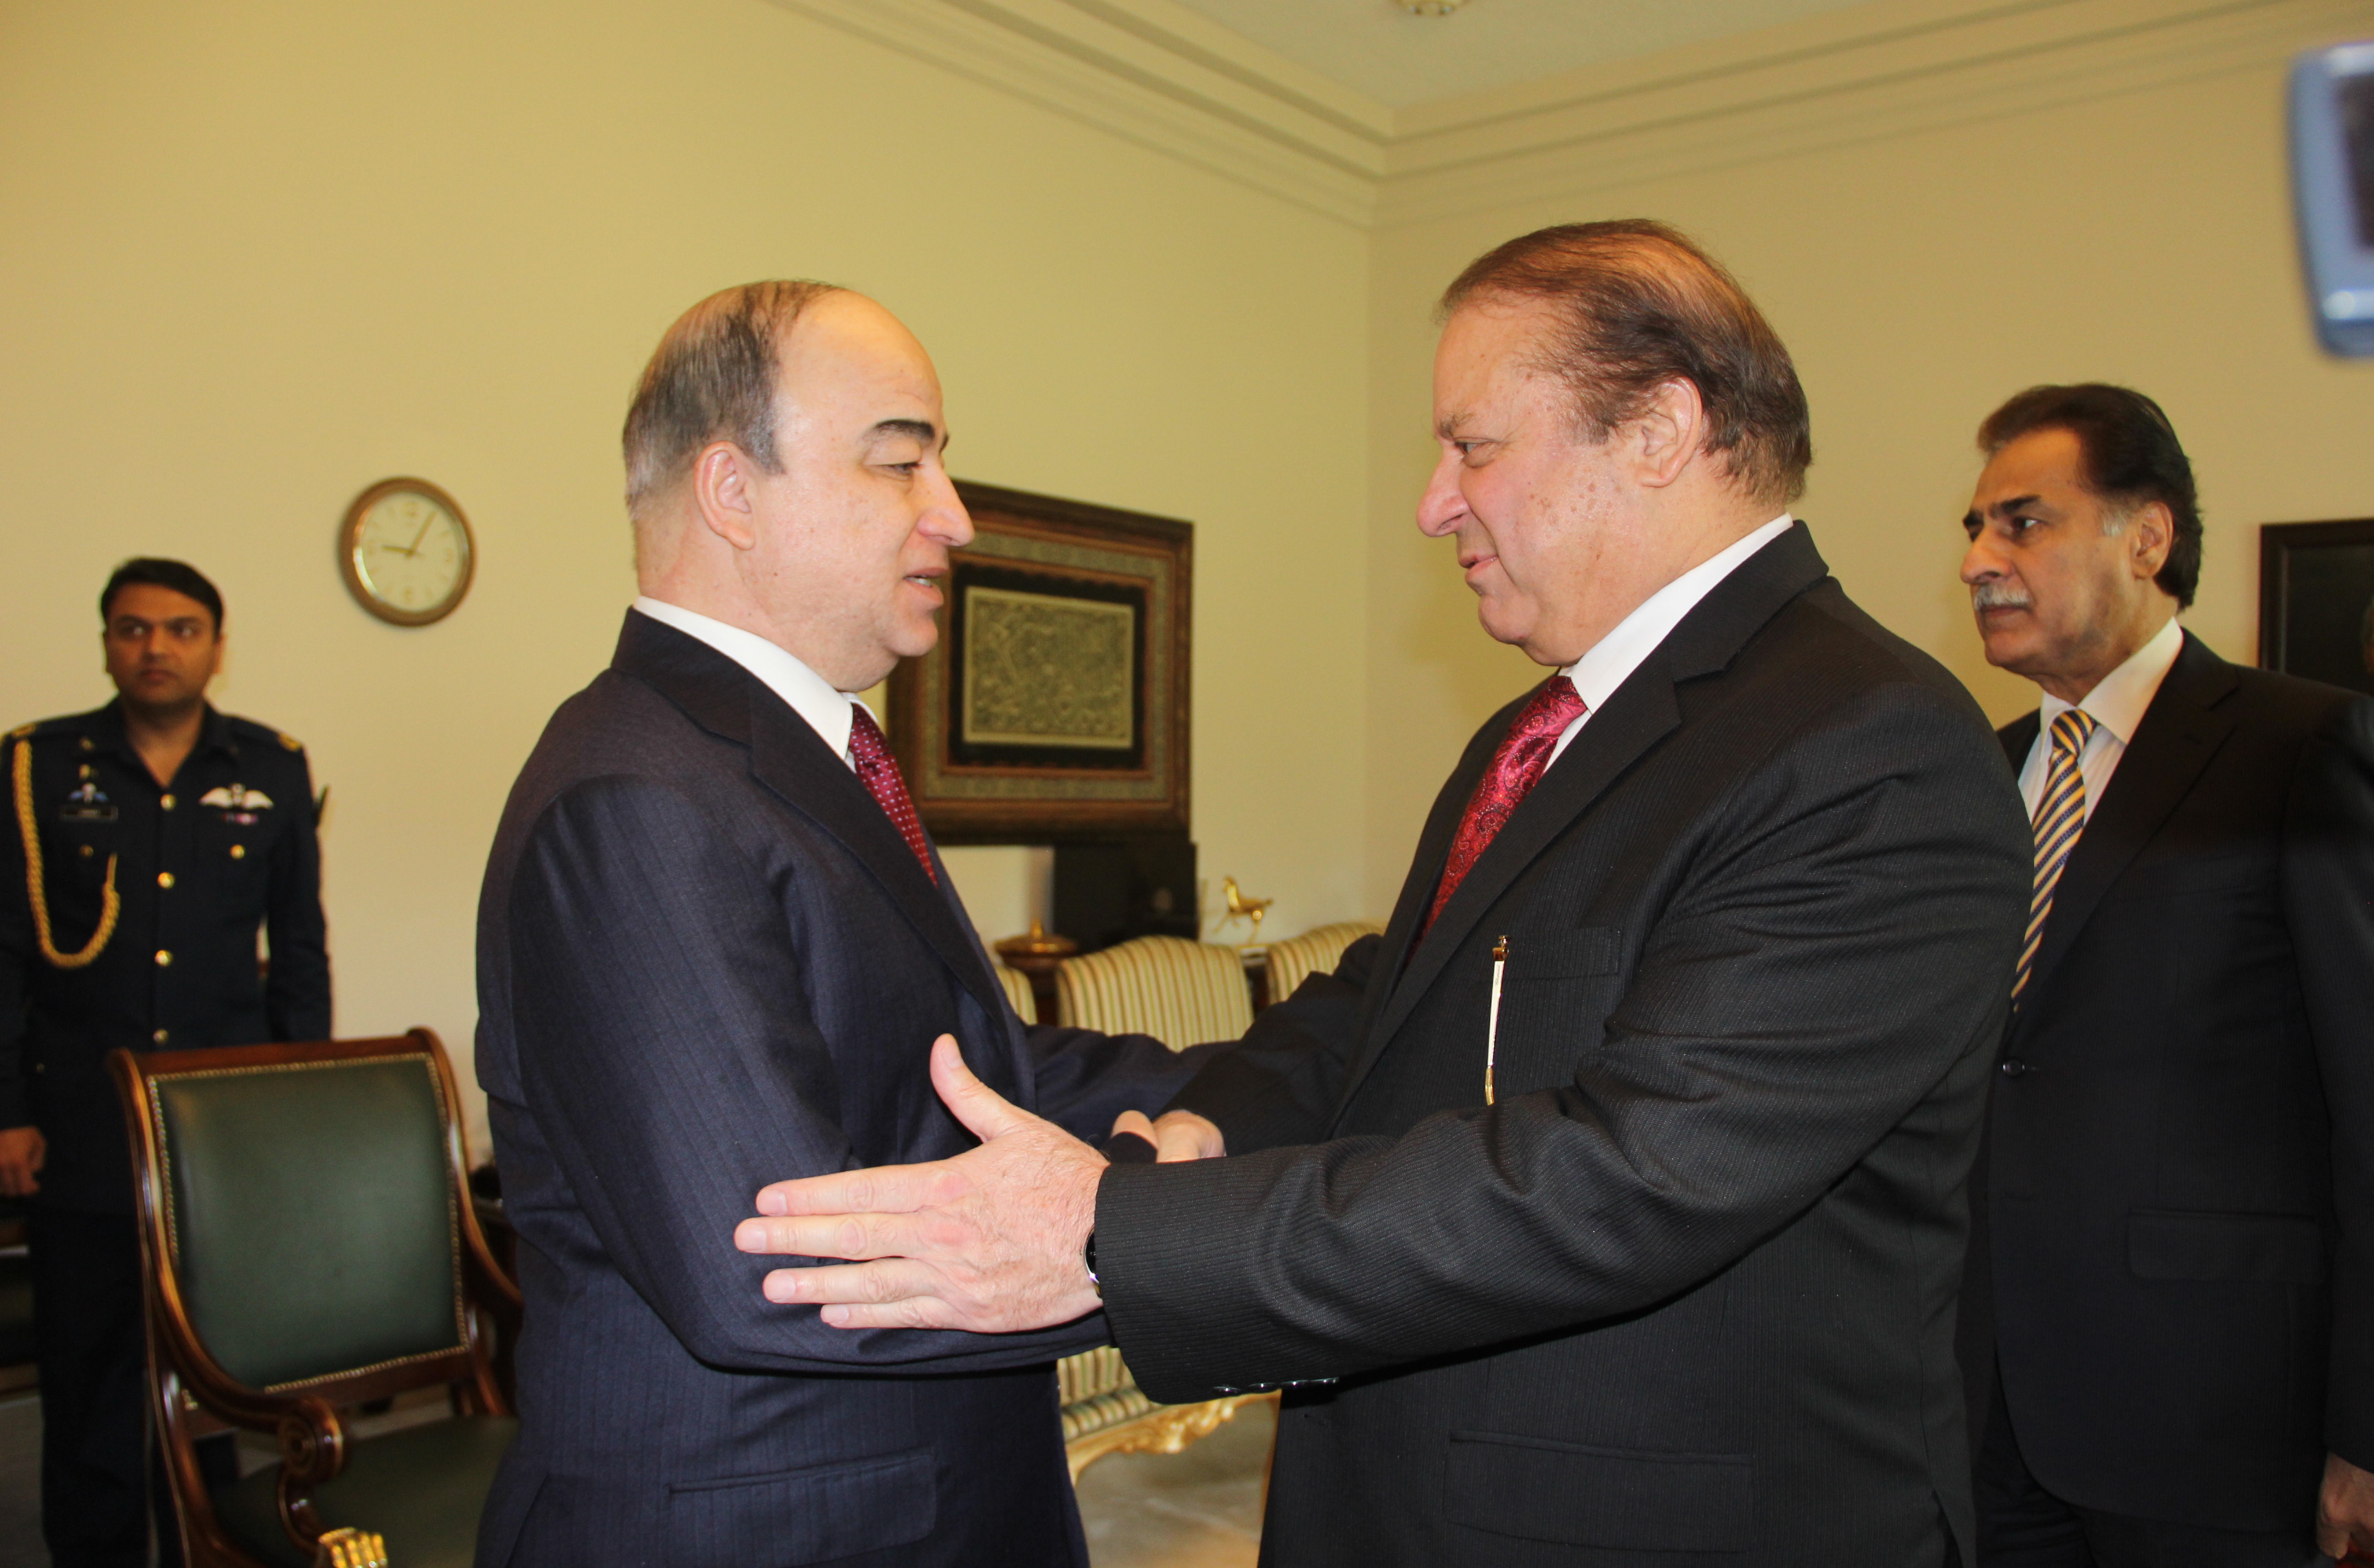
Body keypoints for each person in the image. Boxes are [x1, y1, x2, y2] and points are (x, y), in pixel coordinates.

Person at [734, 222, 2035, 1566]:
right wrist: (1209, 1126)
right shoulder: (1543, 729)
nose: (1433, 504)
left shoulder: (1868, 745)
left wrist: (1116, 1237)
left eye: (1474, 446)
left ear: (1657, 431)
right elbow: (1392, 1005)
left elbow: (1631, 1174)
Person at [469, 280, 1212, 1567]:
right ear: (732, 491)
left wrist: (1254, 1098)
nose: (954, 514)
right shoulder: (636, 798)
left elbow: (959, 1077)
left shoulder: (798, 760)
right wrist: (1167, 1238)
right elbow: (775, 1262)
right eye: (900, 460)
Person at [1952, 384, 2374, 1565]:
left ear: (2147, 537)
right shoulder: (1968, 778)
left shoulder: (2300, 747)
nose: (1980, 560)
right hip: (1984, 1412)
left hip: (2217, 1424)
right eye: (1974, 530)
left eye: (2023, 523)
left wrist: (2368, 1427)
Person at [1, 558, 329, 1568]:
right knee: (89, 1377)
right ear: (107, 644)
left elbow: (299, 953)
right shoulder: (37, 767)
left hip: (218, 1133)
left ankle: (211, 1548)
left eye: (181, 629)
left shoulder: (271, 767)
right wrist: (7, 1109)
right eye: (134, 629)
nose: (156, 648)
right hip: (82, 1127)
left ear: (215, 649)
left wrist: (305, 1112)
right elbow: (6, 954)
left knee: (215, 1376)